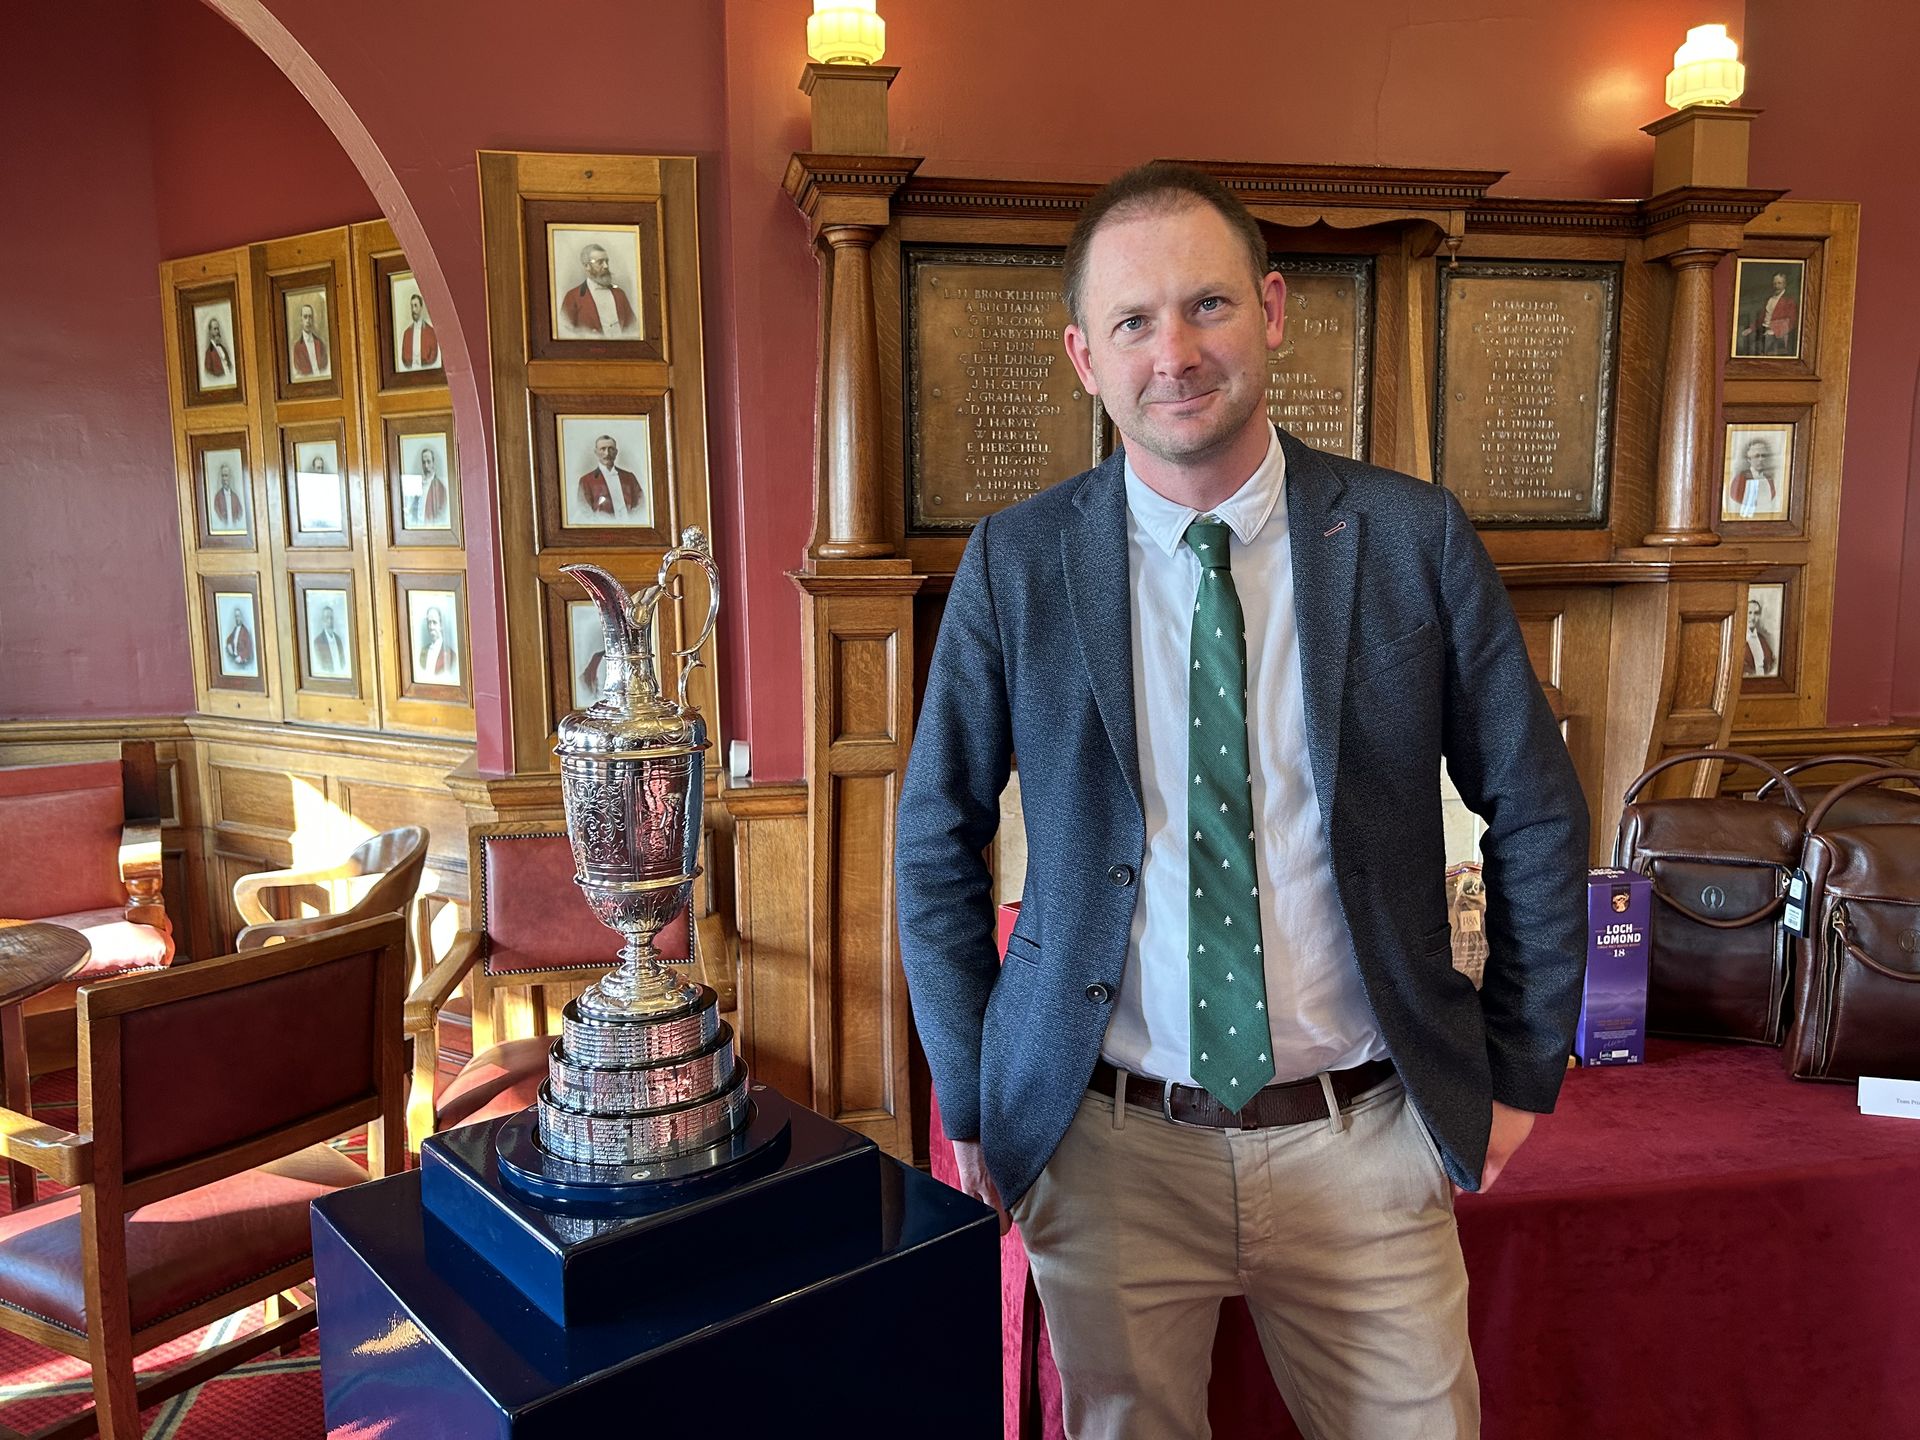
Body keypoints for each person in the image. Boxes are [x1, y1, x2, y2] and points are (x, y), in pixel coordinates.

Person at [897, 162, 1588, 1440]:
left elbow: (1538, 810)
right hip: (1107, 1145)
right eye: (1134, 322)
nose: (1176, 351)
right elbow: (932, 835)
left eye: (1208, 305)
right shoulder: (1018, 563)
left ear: (1271, 309)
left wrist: (1523, 1071)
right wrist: (970, 1095)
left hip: (1367, 1130)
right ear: (1083, 358)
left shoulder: (1410, 539)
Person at [560, 244, 638, 335]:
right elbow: (565, 332)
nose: (605, 266)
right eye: (600, 262)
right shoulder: (573, 296)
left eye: (607, 261)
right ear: (586, 266)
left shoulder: (620, 294)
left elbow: (633, 328)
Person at [576, 434, 645, 522]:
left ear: (616, 452)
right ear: (596, 452)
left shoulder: (630, 477)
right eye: (602, 449)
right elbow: (585, 512)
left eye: (611, 449)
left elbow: (641, 505)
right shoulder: (586, 480)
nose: (607, 453)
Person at [1742, 269, 1798, 356]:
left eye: (1779, 283)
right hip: (1763, 328)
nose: (1776, 286)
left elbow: (1791, 321)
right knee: (1746, 339)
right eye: (1775, 283)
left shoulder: (1789, 301)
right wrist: (1751, 328)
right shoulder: (1769, 299)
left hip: (1777, 333)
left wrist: (1774, 330)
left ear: (1785, 284)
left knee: (1762, 344)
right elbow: (1761, 318)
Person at [1726, 435, 1779, 517]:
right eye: (1757, 456)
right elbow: (1735, 497)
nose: (1761, 459)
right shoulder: (1741, 478)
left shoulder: (1769, 479)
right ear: (1749, 460)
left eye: (1763, 456)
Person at [410, 446, 449, 528]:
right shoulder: (418, 484)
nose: (426, 466)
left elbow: (441, 516)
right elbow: (412, 509)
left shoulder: (440, 488)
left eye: (428, 462)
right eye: (423, 462)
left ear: (433, 463)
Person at [399, 291, 440, 370]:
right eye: (411, 306)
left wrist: (424, 364)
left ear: (421, 307)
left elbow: (434, 355)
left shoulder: (431, 332)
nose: (413, 309)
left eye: (415, 306)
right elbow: (404, 357)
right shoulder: (407, 333)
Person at [291, 302, 330, 377]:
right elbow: (298, 370)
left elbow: (325, 366)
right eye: (305, 317)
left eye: (310, 317)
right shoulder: (297, 347)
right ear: (301, 320)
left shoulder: (320, 343)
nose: (308, 320)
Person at [311, 603, 349, 678]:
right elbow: (320, 667)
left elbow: (344, 663)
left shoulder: (338, 639)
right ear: (323, 620)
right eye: (327, 618)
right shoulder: (318, 642)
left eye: (331, 617)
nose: (330, 620)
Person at [416, 606, 455, 680]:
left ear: (441, 625)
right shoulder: (422, 652)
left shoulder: (451, 655)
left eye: (434, 622)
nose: (431, 627)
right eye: (429, 623)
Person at [1743, 596, 1777, 678]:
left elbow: (1772, 663)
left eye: (1756, 613)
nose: (1753, 617)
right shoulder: (1736, 640)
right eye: (1749, 613)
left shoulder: (1762, 639)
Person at [209, 463, 245, 532]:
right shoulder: (217, 497)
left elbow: (240, 514)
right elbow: (216, 516)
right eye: (222, 476)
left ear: (230, 477)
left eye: (226, 476)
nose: (224, 479)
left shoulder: (235, 497)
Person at [222, 605, 254, 672]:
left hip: (241, 661)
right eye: (236, 616)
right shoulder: (235, 629)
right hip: (234, 657)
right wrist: (229, 645)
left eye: (238, 616)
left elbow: (249, 648)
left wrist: (241, 657)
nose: (237, 618)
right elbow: (229, 639)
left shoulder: (245, 631)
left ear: (241, 617)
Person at [203, 316, 234, 380]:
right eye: (215, 329)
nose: (217, 331)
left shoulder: (223, 348)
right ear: (210, 331)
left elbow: (230, 366)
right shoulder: (208, 353)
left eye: (218, 329)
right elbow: (209, 375)